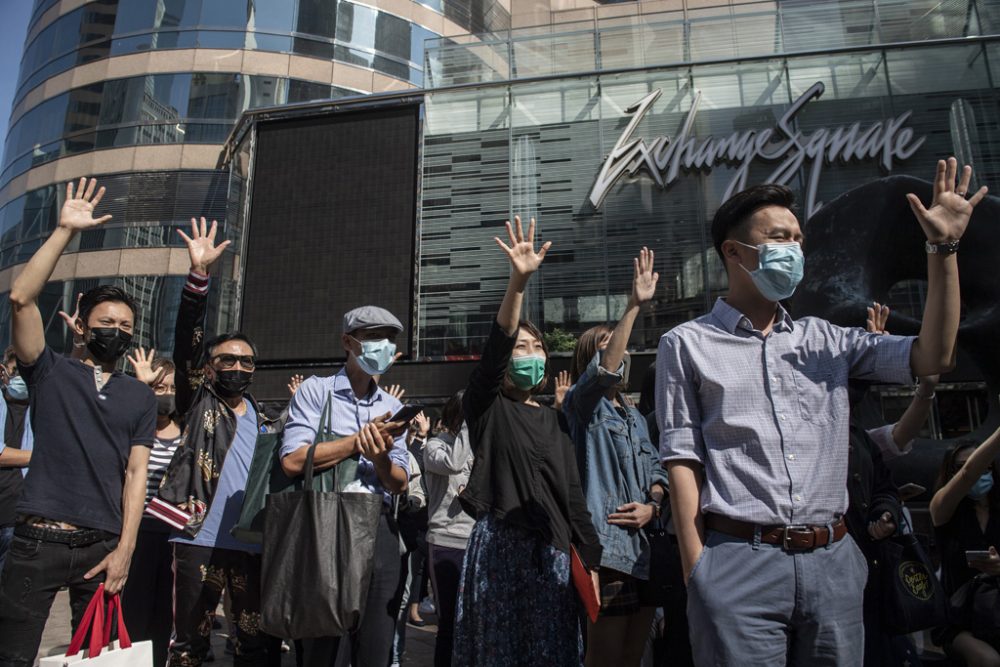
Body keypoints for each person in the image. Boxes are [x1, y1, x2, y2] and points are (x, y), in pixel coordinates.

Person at [657, 157, 986, 665]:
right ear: (734, 252)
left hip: (835, 561)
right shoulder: (686, 344)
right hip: (736, 563)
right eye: (778, 238)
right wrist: (697, 569)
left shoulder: (828, 340)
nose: (792, 249)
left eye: (796, 239)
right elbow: (683, 459)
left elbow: (933, 354)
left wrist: (942, 250)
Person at [0, 177, 156, 666]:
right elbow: (22, 299)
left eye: (126, 327)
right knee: (13, 655)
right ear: (83, 327)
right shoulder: (50, 371)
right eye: (107, 324)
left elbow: (136, 476)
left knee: (95, 660)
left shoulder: (140, 396)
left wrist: (125, 550)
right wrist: (65, 230)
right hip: (36, 542)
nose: (117, 332)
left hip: (102, 547)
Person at [455, 216, 602, 665]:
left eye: (538, 348)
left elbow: (571, 495)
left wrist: (590, 557)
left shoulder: (556, 420)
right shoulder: (486, 407)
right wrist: (518, 282)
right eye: (523, 348)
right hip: (502, 551)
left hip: (554, 554)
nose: (532, 356)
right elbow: (495, 350)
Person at [157, 217, 283, 667]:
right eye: (227, 359)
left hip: (252, 543)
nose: (238, 366)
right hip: (199, 539)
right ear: (209, 368)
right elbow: (185, 346)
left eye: (247, 361)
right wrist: (199, 278)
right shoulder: (200, 402)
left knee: (257, 644)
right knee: (190, 645)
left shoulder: (268, 420)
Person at [280, 304, 410, 667]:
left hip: (379, 525)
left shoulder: (393, 404)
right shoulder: (316, 391)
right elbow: (292, 460)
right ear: (348, 342)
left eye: (389, 339)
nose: (382, 346)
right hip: (325, 522)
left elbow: (398, 482)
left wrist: (381, 455)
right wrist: (356, 442)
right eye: (372, 338)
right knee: (323, 645)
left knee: (376, 643)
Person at [563, 247, 668, 667]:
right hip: (608, 552)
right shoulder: (581, 406)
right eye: (610, 348)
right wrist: (633, 307)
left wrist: (653, 505)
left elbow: (657, 469)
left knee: (633, 655)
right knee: (604, 657)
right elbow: (603, 371)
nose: (621, 356)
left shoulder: (635, 415)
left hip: (643, 550)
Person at [121, 352, 182, 667]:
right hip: (138, 533)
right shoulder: (133, 430)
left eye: (171, 388)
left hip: (173, 538)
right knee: (134, 615)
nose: (166, 395)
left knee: (163, 618)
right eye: (159, 388)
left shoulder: (186, 435)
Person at [929, 427, 1000, 665]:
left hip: (996, 611)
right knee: (988, 660)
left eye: (986, 466)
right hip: (959, 616)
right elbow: (970, 473)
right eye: (960, 466)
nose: (979, 472)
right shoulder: (943, 507)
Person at [423, 391, 473, 667]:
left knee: (475, 621)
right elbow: (453, 464)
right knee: (450, 623)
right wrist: (469, 422)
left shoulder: (481, 448)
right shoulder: (435, 445)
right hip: (446, 542)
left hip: (477, 542)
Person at [0, 347, 31, 572]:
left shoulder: (39, 410)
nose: (20, 378)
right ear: (5, 372)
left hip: (14, 513)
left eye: (25, 374)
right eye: (15, 371)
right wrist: (38, 457)